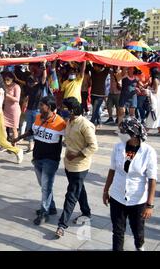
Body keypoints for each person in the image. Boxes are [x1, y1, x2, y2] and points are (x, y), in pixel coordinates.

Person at [103, 117, 157, 251]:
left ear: (133, 134)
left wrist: (149, 205)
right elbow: (112, 169)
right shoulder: (118, 147)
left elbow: (152, 179)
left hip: (137, 200)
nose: (120, 135)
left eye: (123, 132)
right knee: (117, 231)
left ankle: (140, 247)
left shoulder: (148, 152)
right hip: (117, 196)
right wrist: (106, 190)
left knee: (138, 231)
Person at [13, 96, 67, 226]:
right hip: (37, 157)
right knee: (44, 186)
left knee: (46, 186)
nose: (39, 107)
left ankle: (44, 212)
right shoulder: (38, 117)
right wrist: (19, 138)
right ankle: (51, 207)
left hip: (51, 160)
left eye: (41, 105)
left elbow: (69, 138)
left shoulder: (60, 122)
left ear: (48, 107)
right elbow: (32, 130)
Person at [55, 97, 98, 238]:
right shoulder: (69, 122)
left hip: (80, 166)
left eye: (64, 108)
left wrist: (78, 154)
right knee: (79, 189)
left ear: (72, 110)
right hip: (68, 164)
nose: (62, 110)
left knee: (71, 194)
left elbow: (93, 146)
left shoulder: (85, 125)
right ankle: (86, 212)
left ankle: (62, 224)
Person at [2, 72, 21, 145]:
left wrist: (7, 95)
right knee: (3, 127)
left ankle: (14, 145)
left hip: (14, 110)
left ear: (12, 79)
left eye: (8, 79)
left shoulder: (16, 86)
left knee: (14, 129)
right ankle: (5, 144)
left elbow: (17, 99)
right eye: (5, 80)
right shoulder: (4, 86)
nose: (6, 81)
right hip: (6, 109)